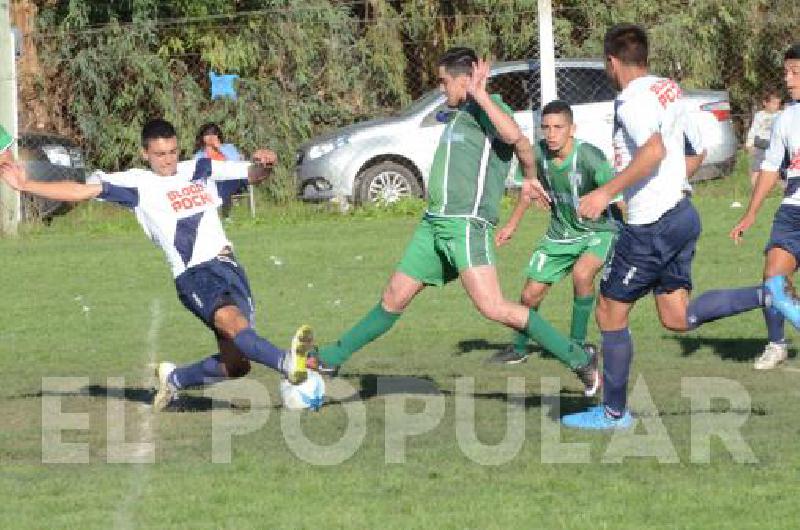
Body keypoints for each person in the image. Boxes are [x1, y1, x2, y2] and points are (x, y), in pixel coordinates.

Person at [308, 47, 602, 396]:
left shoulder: (489, 109)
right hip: (434, 224)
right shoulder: (460, 112)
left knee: (492, 306)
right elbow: (522, 152)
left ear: (465, 80)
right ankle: (331, 357)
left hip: (465, 225)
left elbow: (517, 139)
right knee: (393, 296)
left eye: (444, 81)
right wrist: (528, 176)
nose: (441, 88)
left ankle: (579, 359)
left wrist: (485, 103)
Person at [0, 118, 313, 411]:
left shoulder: (202, 168)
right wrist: (27, 186)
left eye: (173, 152)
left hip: (231, 268)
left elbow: (252, 175)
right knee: (233, 323)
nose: (168, 160)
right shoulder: (138, 183)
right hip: (195, 275)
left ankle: (174, 380)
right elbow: (81, 191)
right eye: (160, 154)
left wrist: (264, 164)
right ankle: (287, 363)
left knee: (237, 365)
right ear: (145, 153)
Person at [562, 24, 768, 430]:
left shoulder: (632, 99)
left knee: (609, 312)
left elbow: (653, 151)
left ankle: (614, 413)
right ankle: (768, 293)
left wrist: (607, 192)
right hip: (682, 214)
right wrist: (667, 185)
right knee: (676, 317)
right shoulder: (667, 89)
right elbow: (695, 149)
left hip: (651, 225)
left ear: (612, 62)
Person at [486, 100, 621, 365]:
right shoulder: (538, 155)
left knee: (582, 275)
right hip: (560, 233)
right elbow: (530, 190)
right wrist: (512, 225)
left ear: (572, 129)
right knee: (529, 294)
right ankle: (519, 348)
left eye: (558, 127)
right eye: (545, 127)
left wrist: (637, 230)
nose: (551, 134)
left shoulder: (589, 157)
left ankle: (577, 347)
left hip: (598, 231)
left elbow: (616, 194)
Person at [730, 43, 800, 366]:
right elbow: (771, 167)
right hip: (792, 211)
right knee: (773, 278)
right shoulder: (786, 118)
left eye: (795, 72)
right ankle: (776, 344)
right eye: (786, 71)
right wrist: (750, 214)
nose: (787, 79)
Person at [194, 123, 245, 217]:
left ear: (218, 135)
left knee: (223, 185)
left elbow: (236, 162)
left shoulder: (228, 148)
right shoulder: (199, 154)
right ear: (202, 137)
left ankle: (225, 214)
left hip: (230, 178)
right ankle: (215, 214)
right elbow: (198, 172)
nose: (211, 136)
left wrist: (219, 147)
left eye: (213, 133)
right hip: (211, 181)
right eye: (207, 134)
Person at [745, 90, 783, 188]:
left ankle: (773, 188)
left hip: (775, 145)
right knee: (757, 168)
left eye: (778, 103)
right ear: (765, 103)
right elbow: (753, 130)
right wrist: (749, 144)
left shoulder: (781, 114)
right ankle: (755, 188)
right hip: (761, 144)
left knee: (776, 168)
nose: (776, 106)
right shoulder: (759, 115)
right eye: (774, 103)